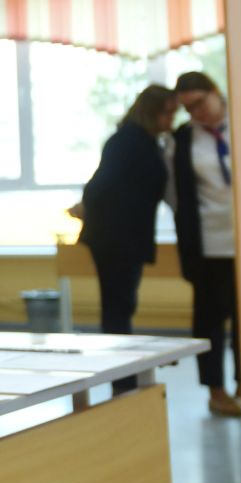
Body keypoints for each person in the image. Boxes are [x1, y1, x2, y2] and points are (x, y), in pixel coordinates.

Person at [77, 85, 177, 335]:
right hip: (117, 239)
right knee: (118, 307)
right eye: (168, 113)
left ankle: (125, 373)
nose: (172, 120)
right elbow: (101, 185)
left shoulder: (142, 140)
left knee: (120, 305)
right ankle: (123, 373)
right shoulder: (130, 140)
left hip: (122, 237)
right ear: (153, 112)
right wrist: (87, 207)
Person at [170, 72, 240, 416]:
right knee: (210, 322)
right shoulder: (183, 139)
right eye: (188, 108)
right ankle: (216, 391)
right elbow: (177, 196)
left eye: (199, 103)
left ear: (215, 92)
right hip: (208, 244)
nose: (196, 113)